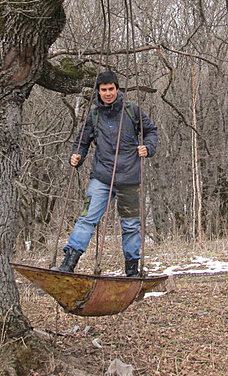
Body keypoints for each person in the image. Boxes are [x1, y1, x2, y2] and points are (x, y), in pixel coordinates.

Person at [57, 72, 158, 277]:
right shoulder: (93, 115)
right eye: (103, 90)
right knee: (86, 218)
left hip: (129, 177)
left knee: (131, 225)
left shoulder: (132, 110)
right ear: (99, 92)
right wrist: (76, 156)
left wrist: (148, 147)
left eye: (111, 89)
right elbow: (81, 142)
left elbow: (151, 131)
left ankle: (132, 270)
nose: (108, 93)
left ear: (117, 89)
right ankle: (68, 263)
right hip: (101, 177)